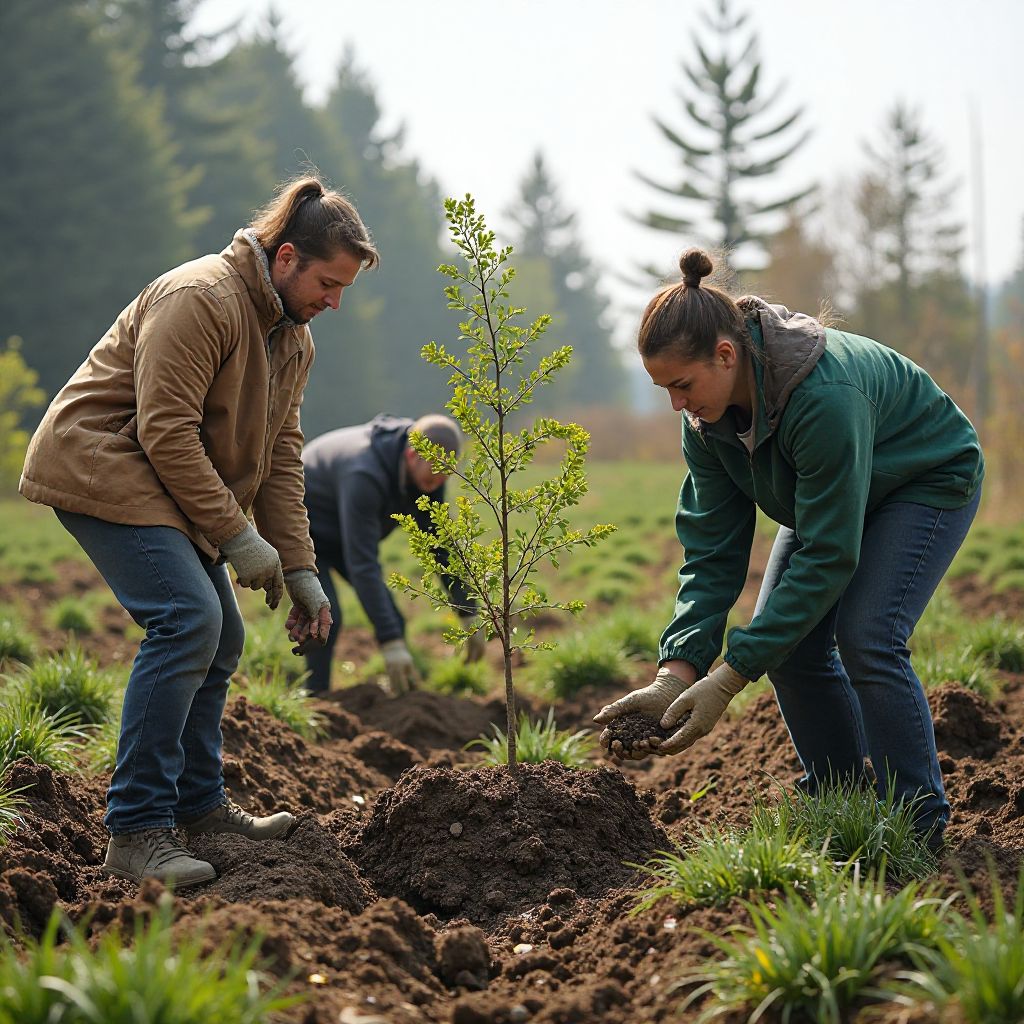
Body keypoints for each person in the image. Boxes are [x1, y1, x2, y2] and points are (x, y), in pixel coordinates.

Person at [20, 176, 379, 886]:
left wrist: (300, 568)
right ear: (284, 258)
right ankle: (136, 830)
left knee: (225, 635)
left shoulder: (292, 337)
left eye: (344, 289)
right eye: (328, 282)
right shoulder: (200, 299)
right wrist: (238, 539)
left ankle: (198, 808)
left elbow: (281, 454)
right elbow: (165, 431)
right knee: (187, 620)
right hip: (104, 460)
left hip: (162, 478)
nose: (334, 302)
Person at [594, 248, 984, 850]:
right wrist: (678, 671)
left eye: (681, 384)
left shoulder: (823, 396)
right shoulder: (707, 419)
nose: (676, 403)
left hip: (921, 480)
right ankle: (842, 799)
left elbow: (830, 555)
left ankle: (916, 823)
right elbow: (712, 551)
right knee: (793, 649)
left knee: (868, 637)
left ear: (726, 355)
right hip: (826, 494)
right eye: (663, 389)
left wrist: (728, 678)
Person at [300, 413, 484, 693]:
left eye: (446, 474)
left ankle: (403, 695)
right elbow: (363, 565)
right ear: (412, 455)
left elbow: (437, 543)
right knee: (326, 616)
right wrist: (390, 641)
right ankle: (315, 698)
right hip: (302, 531)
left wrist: (467, 609)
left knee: (393, 619)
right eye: (435, 473)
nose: (439, 481)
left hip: (343, 532)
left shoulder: (430, 469)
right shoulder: (364, 473)